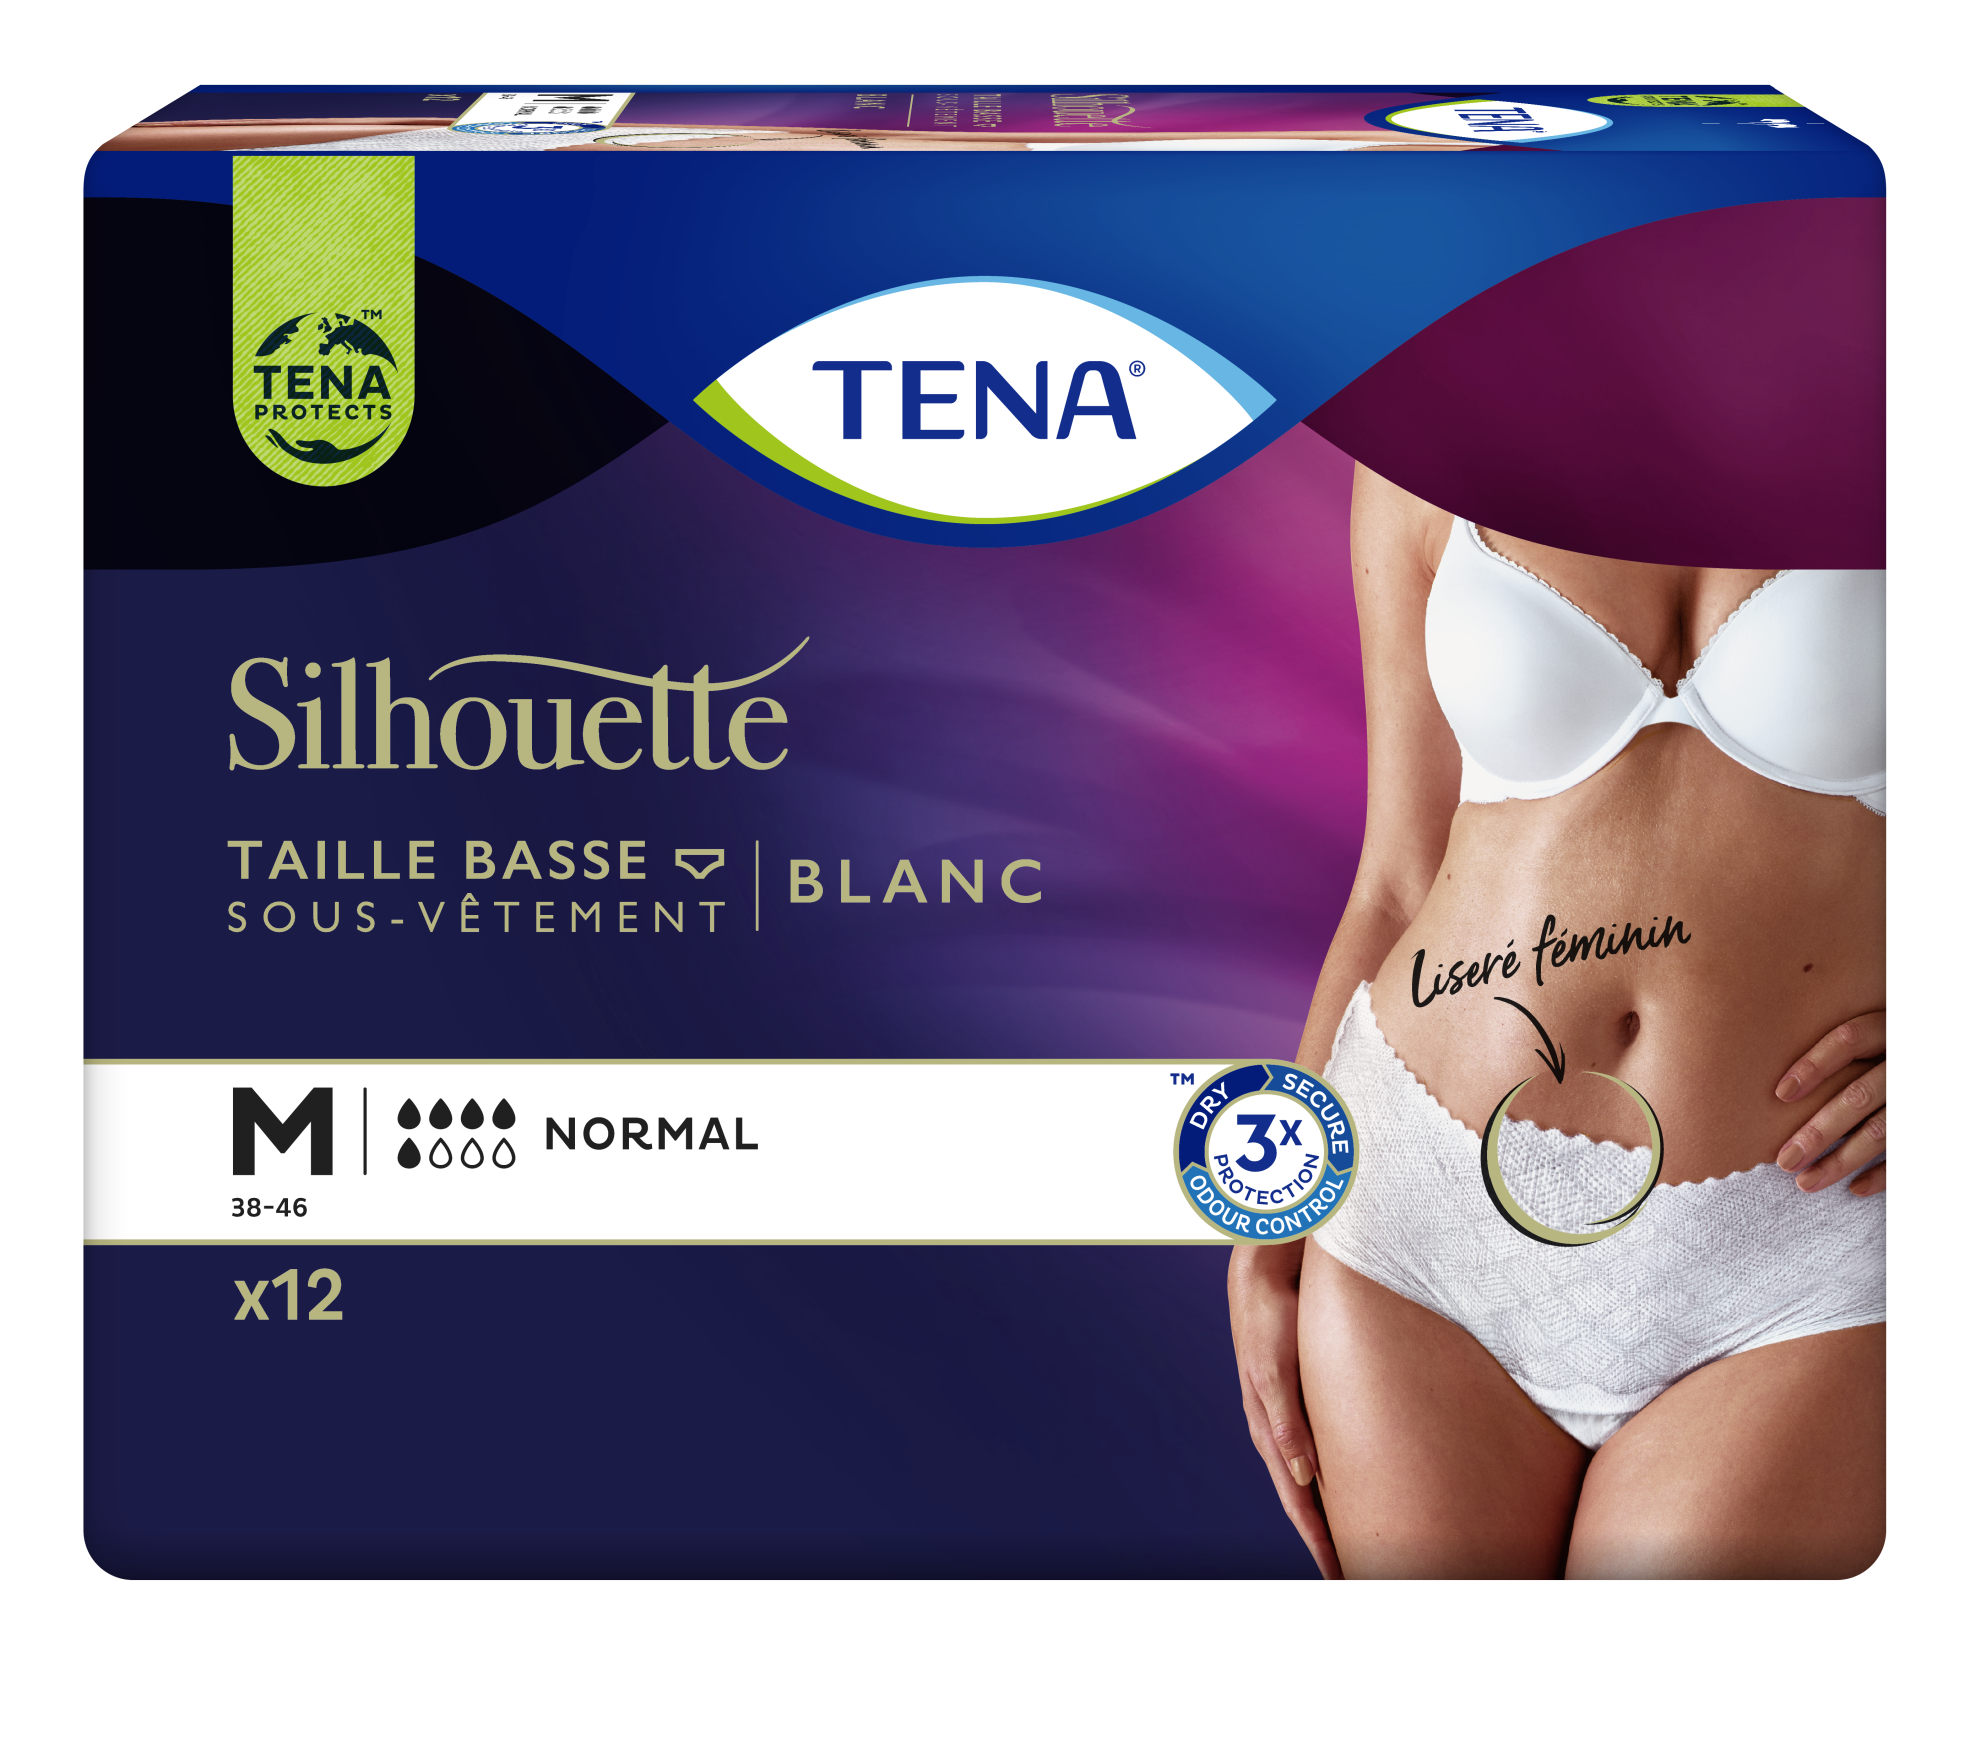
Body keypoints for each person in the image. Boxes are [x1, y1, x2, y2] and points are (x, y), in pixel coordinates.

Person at [1228, 464, 1886, 1580]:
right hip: (1419, 1217)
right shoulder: (1422, 433)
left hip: (1798, 1241)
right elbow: (1394, 878)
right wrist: (1269, 1218)